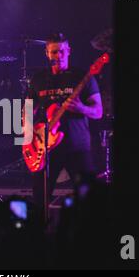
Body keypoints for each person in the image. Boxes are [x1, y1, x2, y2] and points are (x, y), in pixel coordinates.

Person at [27, 33, 103, 210]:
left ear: (68, 51)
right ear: (47, 53)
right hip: (46, 149)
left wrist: (81, 108)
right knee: (40, 199)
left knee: (87, 198)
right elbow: (28, 111)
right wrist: (30, 138)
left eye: (62, 51)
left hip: (77, 147)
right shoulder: (39, 79)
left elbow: (98, 111)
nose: (58, 56)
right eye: (54, 52)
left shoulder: (82, 76)